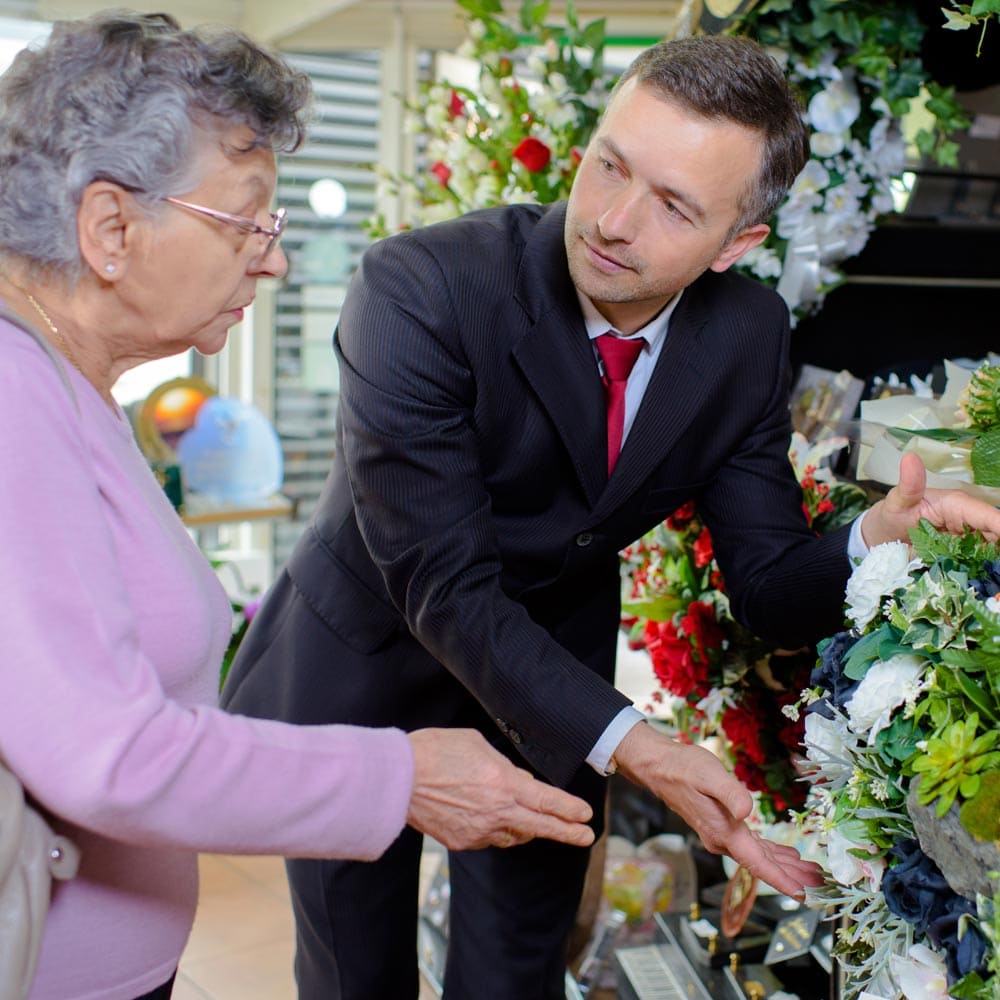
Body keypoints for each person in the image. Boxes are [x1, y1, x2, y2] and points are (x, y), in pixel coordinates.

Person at [222, 30, 1000, 1000]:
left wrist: (874, 537)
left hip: (552, 672)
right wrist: (642, 746)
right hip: (371, 658)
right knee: (354, 971)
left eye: (673, 205)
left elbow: (764, 585)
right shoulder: (420, 288)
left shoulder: (746, 334)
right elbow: (446, 585)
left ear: (737, 245)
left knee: (515, 970)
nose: (612, 221)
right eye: (607, 166)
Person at [0, 12, 599, 1000]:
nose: (273, 262)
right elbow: (112, 752)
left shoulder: (70, 386)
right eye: (248, 221)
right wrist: (400, 776)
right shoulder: (16, 394)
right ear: (111, 228)